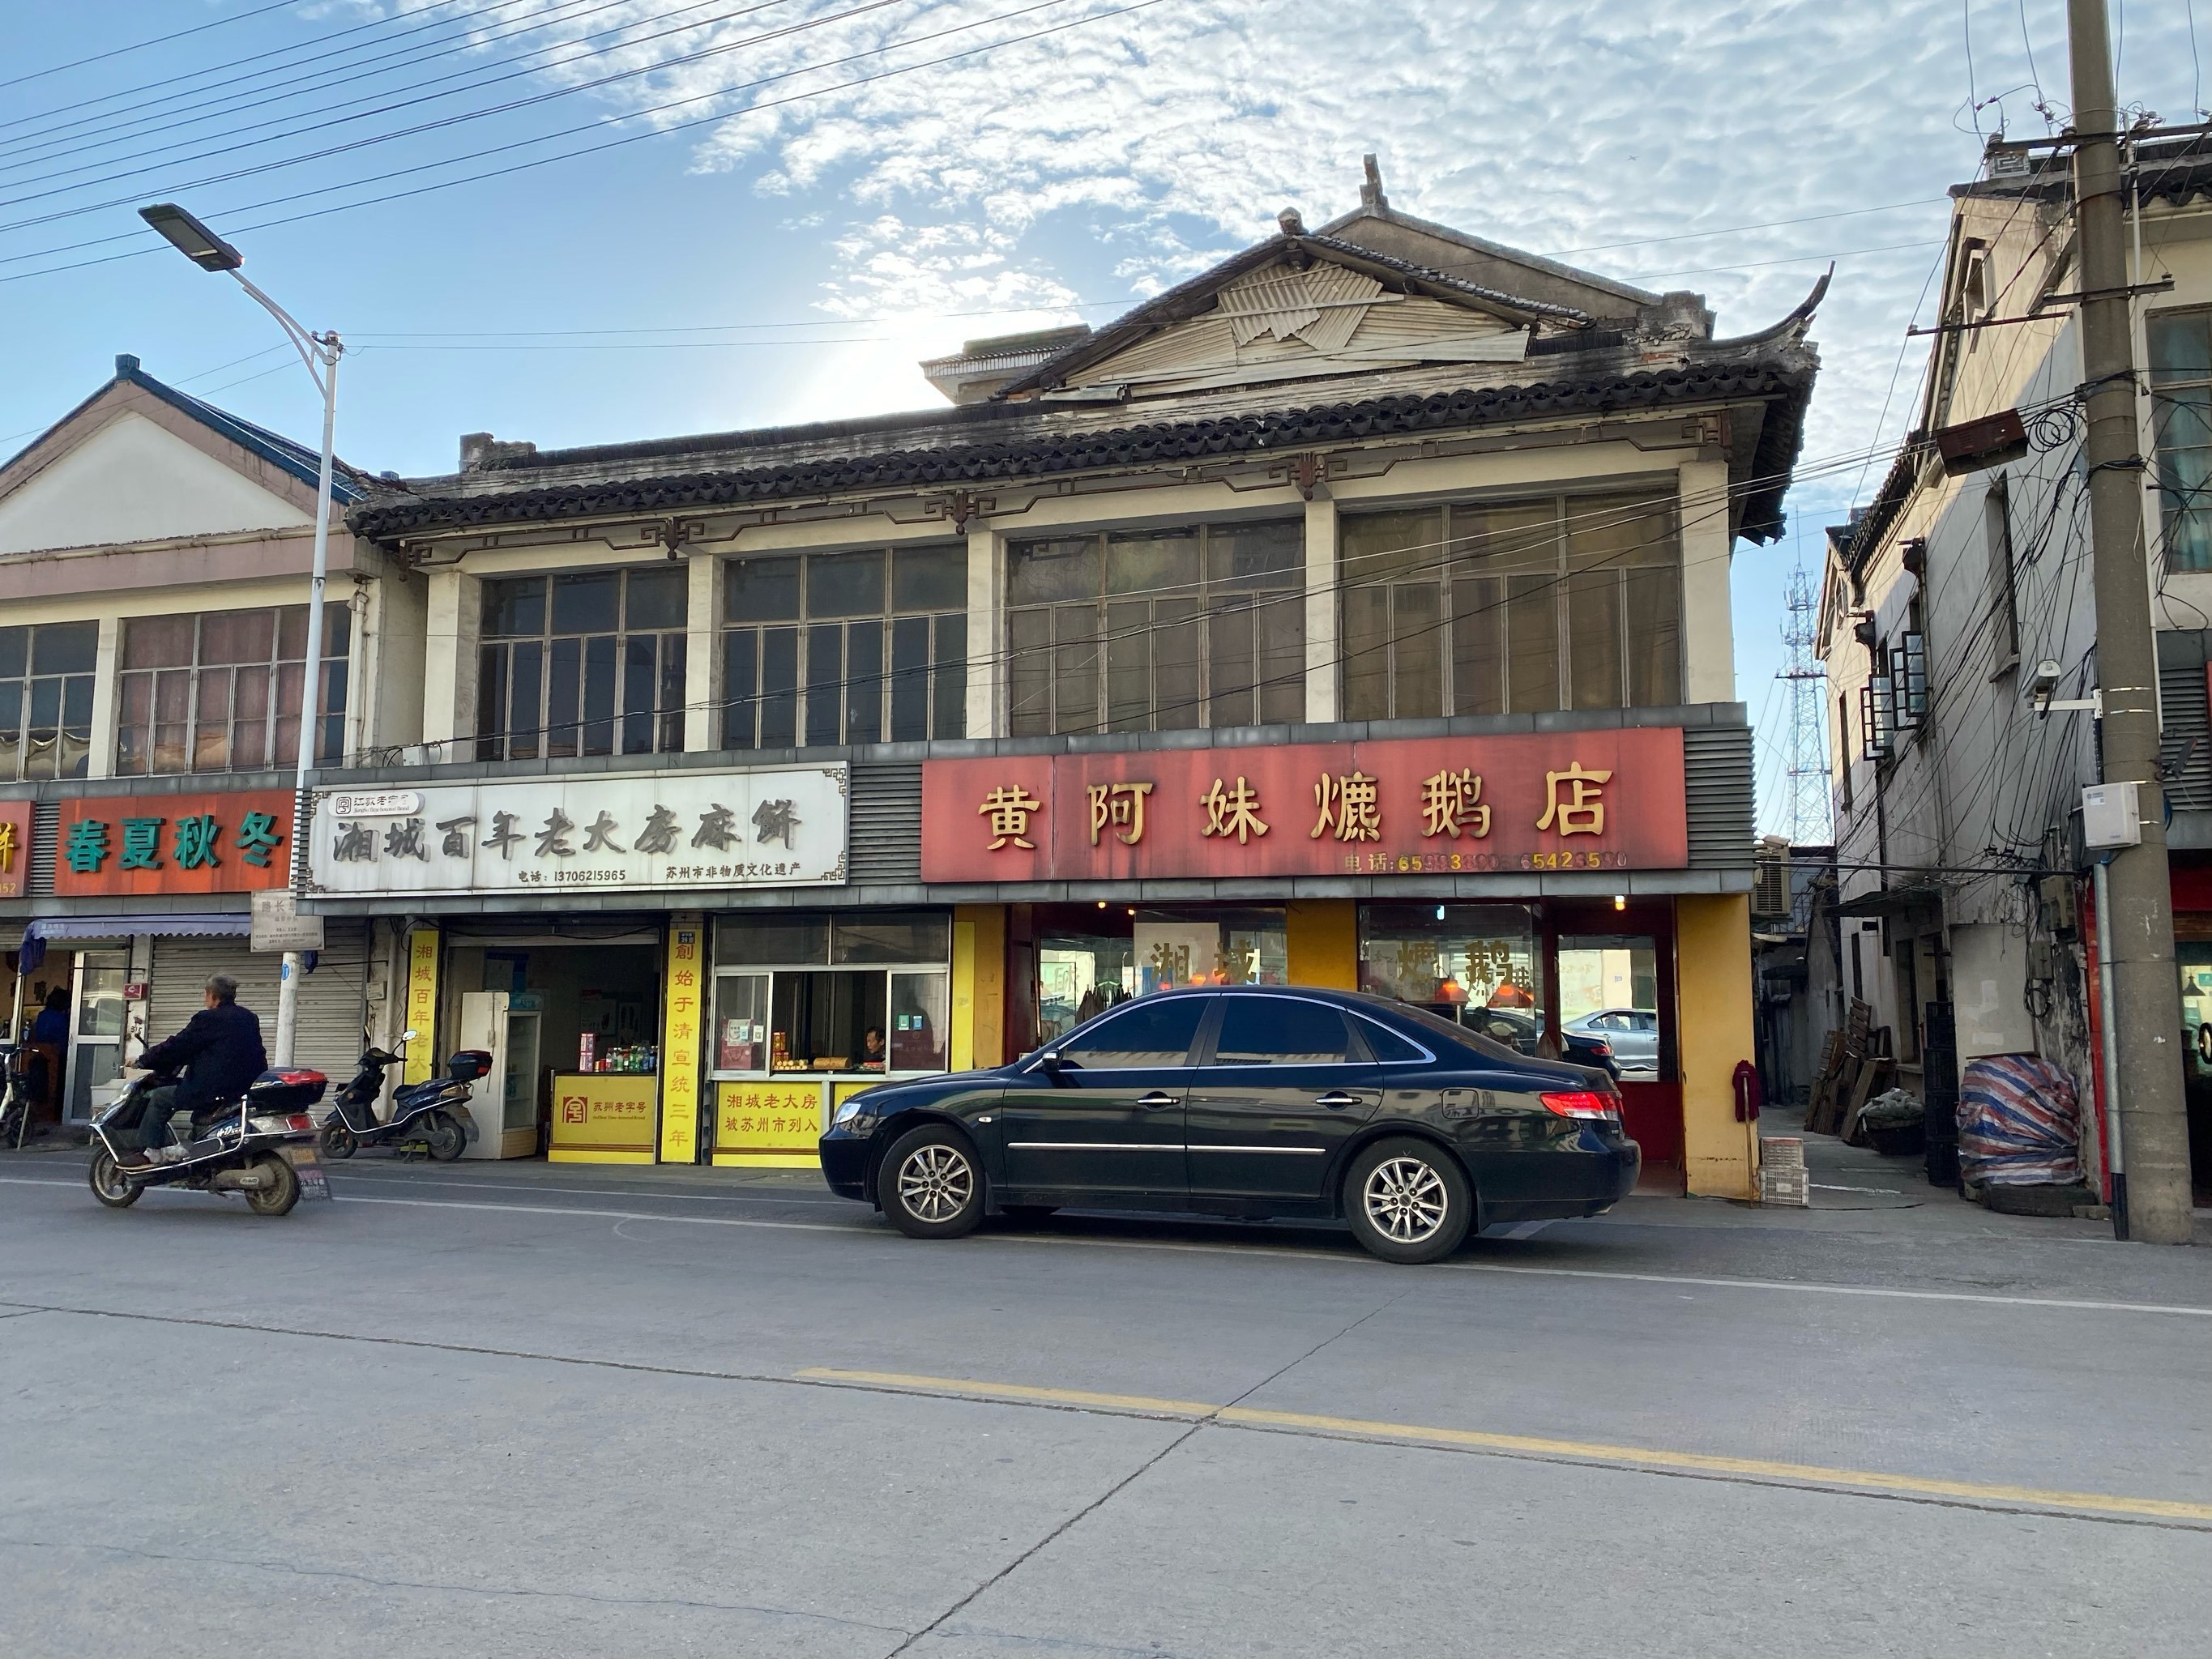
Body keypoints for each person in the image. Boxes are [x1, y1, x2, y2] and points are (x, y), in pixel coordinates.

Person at [124, 975, 267, 1162]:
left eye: (205, 994)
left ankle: (151, 1152)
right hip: (245, 1087)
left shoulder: (208, 1019)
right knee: (186, 1091)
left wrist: (142, 1061)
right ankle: (192, 1146)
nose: (204, 998)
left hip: (215, 1088)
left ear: (212, 995)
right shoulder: (249, 1018)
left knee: (160, 1097)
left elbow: (178, 1045)